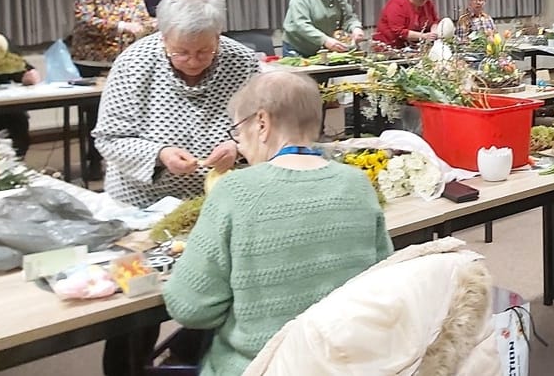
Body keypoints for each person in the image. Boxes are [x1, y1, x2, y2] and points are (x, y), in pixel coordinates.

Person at [164, 71, 393, 376]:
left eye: (238, 131)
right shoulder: (357, 183)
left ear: (262, 123)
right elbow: (384, 281)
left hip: (260, 367)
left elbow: (190, 307)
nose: (240, 147)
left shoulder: (235, 191)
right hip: (346, 364)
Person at [93, 0, 258, 209]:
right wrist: (160, 154)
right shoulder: (134, 63)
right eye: (181, 52)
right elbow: (109, 138)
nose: (192, 61)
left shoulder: (243, 62)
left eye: (203, 51)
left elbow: (264, 125)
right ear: (164, 38)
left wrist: (237, 148)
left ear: (218, 37)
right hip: (144, 202)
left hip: (225, 196)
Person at [71, 0, 157, 178]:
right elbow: (84, 20)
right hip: (93, 60)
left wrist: (155, 24)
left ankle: (129, 162)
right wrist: (119, 26)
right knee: (95, 114)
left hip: (125, 60)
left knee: (130, 110)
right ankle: (94, 162)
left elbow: (142, 18)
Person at [0, 33, 42, 157]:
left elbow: (21, 68)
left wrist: (27, 76)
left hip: (3, 108)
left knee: (18, 121)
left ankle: (13, 169)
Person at [375, 0, 440, 48]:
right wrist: (423, 36)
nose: (425, 1)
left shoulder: (427, 2)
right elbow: (399, 32)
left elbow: (434, 21)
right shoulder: (397, 4)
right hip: (391, 45)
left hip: (415, 46)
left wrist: (434, 32)